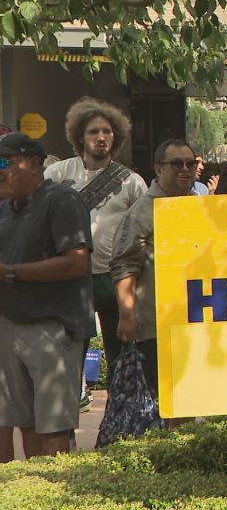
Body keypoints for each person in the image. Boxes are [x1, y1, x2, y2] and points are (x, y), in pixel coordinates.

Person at [0, 132, 93, 461]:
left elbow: (77, 261)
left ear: (35, 164)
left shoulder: (62, 200)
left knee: (51, 430)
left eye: (4, 163)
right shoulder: (5, 209)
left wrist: (11, 272)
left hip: (53, 328)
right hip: (11, 325)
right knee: (23, 423)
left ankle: (52, 491)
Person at [44, 98, 147, 376]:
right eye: (93, 131)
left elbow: (145, 234)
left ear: (116, 137)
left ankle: (119, 416)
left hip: (116, 280)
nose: (101, 137)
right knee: (67, 360)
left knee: (121, 360)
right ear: (80, 136)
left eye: (107, 132)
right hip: (72, 278)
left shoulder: (132, 182)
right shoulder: (56, 174)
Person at [110, 140, 199, 412]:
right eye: (176, 164)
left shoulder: (199, 206)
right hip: (155, 327)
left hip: (194, 321)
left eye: (190, 164)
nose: (184, 169)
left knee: (188, 402)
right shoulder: (142, 211)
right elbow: (124, 265)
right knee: (165, 404)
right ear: (159, 170)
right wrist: (128, 316)